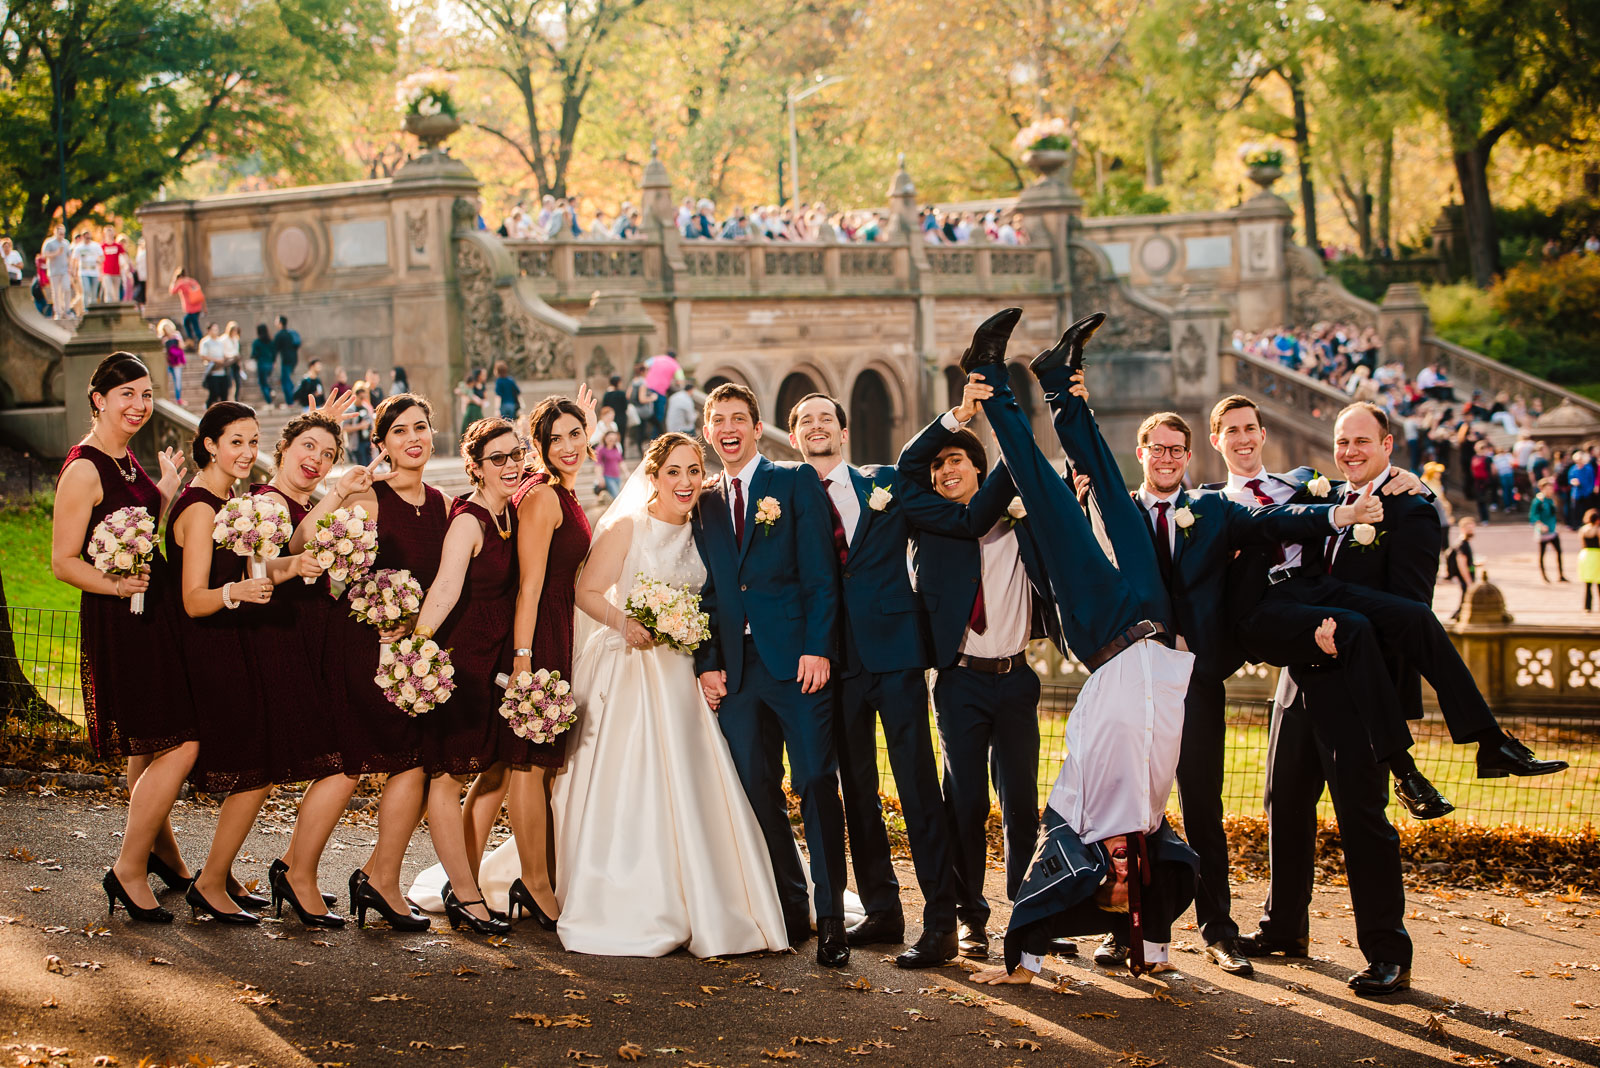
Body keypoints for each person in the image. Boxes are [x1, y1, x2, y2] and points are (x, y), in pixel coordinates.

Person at [1054, 388, 1371, 978]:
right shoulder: (1111, 509)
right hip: (1131, 681)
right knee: (1130, 809)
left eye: (1177, 449)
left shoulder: (1215, 511)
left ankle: (1218, 928)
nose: (1167, 457)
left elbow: (1277, 521)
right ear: (1141, 451)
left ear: (1189, 454)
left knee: (1204, 807)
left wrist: (1336, 512)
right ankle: (1127, 927)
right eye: (1158, 448)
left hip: (1195, 682)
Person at [946, 308, 1197, 984]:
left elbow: (1059, 828)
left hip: (1107, 634)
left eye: (1111, 880)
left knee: (1046, 493)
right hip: (1153, 628)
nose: (1118, 871)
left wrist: (1027, 950)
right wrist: (1151, 945)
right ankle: (1059, 380)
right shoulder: (1148, 825)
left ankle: (990, 377)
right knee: (1115, 489)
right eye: (1125, 876)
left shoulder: (1085, 810)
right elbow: (1155, 873)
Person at [549, 433, 789, 956]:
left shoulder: (705, 528)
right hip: (632, 666)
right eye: (673, 471)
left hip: (684, 668)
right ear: (652, 476)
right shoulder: (627, 526)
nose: (685, 482)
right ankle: (630, 891)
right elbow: (586, 591)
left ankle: (706, 889)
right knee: (633, 777)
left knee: (696, 778)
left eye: (693, 471)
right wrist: (626, 621)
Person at [790, 393, 963, 969]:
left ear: (843, 431)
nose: (817, 427)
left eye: (825, 418)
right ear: (794, 438)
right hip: (831, 665)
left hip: (895, 656)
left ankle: (941, 923)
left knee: (916, 786)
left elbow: (923, 464)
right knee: (857, 793)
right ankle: (883, 909)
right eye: (805, 420)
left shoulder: (884, 482)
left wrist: (955, 420)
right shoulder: (788, 497)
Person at [692, 382, 849, 967]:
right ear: (708, 433)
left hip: (796, 665)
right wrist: (708, 665)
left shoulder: (793, 482)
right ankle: (791, 905)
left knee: (814, 783)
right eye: (717, 420)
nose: (728, 428)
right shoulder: (702, 500)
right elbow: (703, 592)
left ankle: (831, 918)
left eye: (739, 418)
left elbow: (821, 574)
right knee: (756, 789)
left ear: (758, 429)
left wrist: (818, 648)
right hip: (735, 675)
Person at [168, 401, 325, 925]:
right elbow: (194, 599)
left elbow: (256, 567)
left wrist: (290, 566)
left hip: (236, 643)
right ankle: (208, 883)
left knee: (253, 770)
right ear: (209, 444)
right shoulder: (200, 507)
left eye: (253, 442)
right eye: (235, 441)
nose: (246, 452)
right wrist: (236, 591)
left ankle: (217, 876)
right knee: (254, 770)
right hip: (210, 649)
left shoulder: (231, 500)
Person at [52, 353, 195, 923]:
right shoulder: (84, 468)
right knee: (183, 737)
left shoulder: (124, 459)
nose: (139, 405)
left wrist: (161, 490)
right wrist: (115, 585)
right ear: (98, 400)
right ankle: (128, 869)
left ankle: (165, 856)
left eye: (146, 393)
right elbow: (63, 561)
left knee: (149, 741)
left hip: (149, 610)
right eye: (126, 395)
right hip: (122, 619)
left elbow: (130, 524)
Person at [446, 394, 596, 928]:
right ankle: (532, 885)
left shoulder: (561, 489)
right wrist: (525, 660)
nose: (568, 446)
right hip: (536, 637)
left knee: (506, 767)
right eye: (555, 439)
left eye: (575, 434)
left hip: (556, 629)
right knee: (527, 768)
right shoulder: (541, 498)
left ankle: (460, 878)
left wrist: (581, 425)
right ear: (539, 447)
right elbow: (529, 588)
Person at [295, 394, 444, 932]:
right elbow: (304, 542)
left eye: (421, 428)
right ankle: (302, 872)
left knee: (411, 761)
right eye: (399, 431)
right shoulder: (370, 499)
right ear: (382, 445)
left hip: (409, 655)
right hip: (360, 645)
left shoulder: (443, 504)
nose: (413, 438)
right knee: (350, 762)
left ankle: (378, 878)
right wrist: (338, 493)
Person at [407, 418, 535, 937]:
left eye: (516, 454)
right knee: (448, 775)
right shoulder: (470, 520)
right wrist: (416, 648)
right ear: (476, 468)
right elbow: (444, 588)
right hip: (460, 661)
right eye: (497, 459)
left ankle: (460, 880)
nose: (510, 465)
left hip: (494, 662)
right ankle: (464, 895)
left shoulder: (510, 512)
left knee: (493, 769)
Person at [253, 408, 360, 926]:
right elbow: (288, 554)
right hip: (281, 646)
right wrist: (339, 493)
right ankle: (297, 875)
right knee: (340, 766)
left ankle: (292, 866)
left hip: (314, 645)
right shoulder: (266, 503)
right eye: (308, 447)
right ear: (283, 446)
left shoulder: (304, 503)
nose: (317, 460)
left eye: (329, 454)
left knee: (334, 764)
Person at [1530, 479, 1566, 583]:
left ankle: (1561, 574)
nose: (1550, 490)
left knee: (1559, 552)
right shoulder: (1538, 501)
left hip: (1552, 530)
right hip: (1543, 532)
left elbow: (1554, 515)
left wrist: (1556, 526)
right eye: (1548, 488)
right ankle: (1544, 575)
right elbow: (1533, 516)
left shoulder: (1551, 500)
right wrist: (1539, 524)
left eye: (1551, 488)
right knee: (1542, 554)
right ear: (1542, 489)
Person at [42, 225, 72, 321]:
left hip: (64, 271)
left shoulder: (66, 243)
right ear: (55, 233)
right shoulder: (49, 243)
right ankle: (58, 312)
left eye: (63, 234)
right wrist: (56, 253)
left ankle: (66, 310)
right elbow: (45, 254)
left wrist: (70, 268)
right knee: (56, 292)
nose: (62, 236)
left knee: (66, 289)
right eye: (60, 234)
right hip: (54, 271)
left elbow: (69, 256)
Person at [199, 322, 232, 407]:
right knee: (214, 393)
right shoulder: (205, 342)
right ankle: (207, 406)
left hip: (222, 372)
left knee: (224, 394)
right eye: (213, 329)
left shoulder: (220, 341)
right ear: (209, 330)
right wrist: (216, 360)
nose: (215, 331)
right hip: (212, 372)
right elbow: (203, 355)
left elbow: (224, 354)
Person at [155, 319, 186, 405]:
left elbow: (182, 346)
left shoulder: (176, 335)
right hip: (166, 361)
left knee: (178, 381)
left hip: (176, 361)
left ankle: (179, 398)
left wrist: (175, 339)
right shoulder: (161, 337)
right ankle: (166, 398)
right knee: (165, 380)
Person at [169, 268, 205, 340]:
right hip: (198, 307)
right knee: (187, 322)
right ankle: (193, 339)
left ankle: (196, 339)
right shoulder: (192, 281)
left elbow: (172, 291)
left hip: (190, 309)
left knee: (194, 326)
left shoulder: (181, 283)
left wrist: (173, 282)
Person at [273, 316, 302, 407]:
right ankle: (296, 395)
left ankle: (291, 401)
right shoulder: (291, 333)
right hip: (294, 359)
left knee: (286, 381)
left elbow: (275, 349)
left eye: (277, 321)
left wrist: (273, 361)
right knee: (286, 379)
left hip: (286, 360)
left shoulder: (279, 335)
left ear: (280, 323)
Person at [600, 374, 630, 451]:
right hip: (621, 419)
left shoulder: (607, 394)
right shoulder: (622, 393)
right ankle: (621, 456)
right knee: (621, 439)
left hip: (609, 419)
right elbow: (625, 407)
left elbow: (604, 406)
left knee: (609, 438)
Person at [455, 367, 486, 439]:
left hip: (478, 410)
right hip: (471, 409)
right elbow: (461, 392)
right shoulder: (470, 387)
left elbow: (483, 399)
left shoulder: (482, 386)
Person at [99, 227, 127, 303]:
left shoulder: (117, 246)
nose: (109, 235)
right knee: (108, 292)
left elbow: (124, 256)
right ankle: (108, 310)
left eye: (111, 233)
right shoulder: (102, 246)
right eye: (108, 233)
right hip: (106, 272)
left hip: (116, 272)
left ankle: (116, 310)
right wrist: (99, 273)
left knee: (116, 293)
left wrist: (126, 267)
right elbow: (99, 260)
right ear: (105, 234)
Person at [1579, 509, 1600, 612]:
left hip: (1585, 556)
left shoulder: (1583, 529)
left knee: (1588, 584)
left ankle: (1587, 607)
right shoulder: (1598, 530)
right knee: (1599, 583)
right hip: (1596, 556)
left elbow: (1582, 543)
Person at [250, 323, 276, 406]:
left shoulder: (257, 342)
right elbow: (274, 353)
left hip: (261, 364)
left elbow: (254, 354)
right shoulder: (271, 342)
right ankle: (271, 391)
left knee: (263, 383)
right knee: (266, 382)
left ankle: (269, 401)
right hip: (270, 365)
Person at [595, 430, 624, 500]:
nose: (612, 441)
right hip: (608, 477)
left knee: (617, 496)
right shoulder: (601, 449)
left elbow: (621, 462)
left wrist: (626, 473)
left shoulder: (616, 449)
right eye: (610, 439)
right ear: (605, 438)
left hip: (617, 476)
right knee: (616, 496)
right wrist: (600, 477)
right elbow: (598, 464)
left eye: (614, 439)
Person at [75, 231, 101, 308]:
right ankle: (86, 309)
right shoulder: (79, 247)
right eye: (86, 238)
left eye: (89, 238)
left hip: (94, 272)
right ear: (83, 237)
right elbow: (74, 259)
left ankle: (93, 308)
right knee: (86, 290)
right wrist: (74, 271)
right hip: (83, 272)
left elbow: (102, 257)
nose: (88, 239)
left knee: (94, 292)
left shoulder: (95, 245)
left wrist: (99, 261)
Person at [223, 321, 245, 401]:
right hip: (228, 363)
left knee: (238, 382)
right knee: (230, 382)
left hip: (235, 363)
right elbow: (223, 352)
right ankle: (230, 399)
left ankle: (236, 399)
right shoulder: (224, 339)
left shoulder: (236, 339)